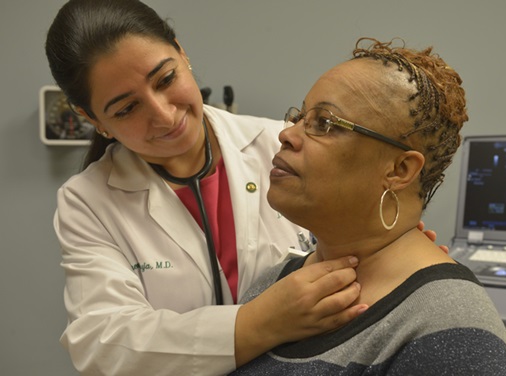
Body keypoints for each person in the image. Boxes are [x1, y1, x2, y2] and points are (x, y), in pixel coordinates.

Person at [46, 1, 445, 374]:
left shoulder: (281, 145)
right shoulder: (89, 202)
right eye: (127, 108)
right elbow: (103, 343)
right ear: (92, 118)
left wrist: (396, 254)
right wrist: (260, 322)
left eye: (166, 79)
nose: (164, 115)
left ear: (182, 53)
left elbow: (367, 235)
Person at [231, 38, 506, 375]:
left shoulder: (450, 329)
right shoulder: (273, 290)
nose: (288, 134)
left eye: (324, 123)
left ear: (399, 170)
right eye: (299, 117)